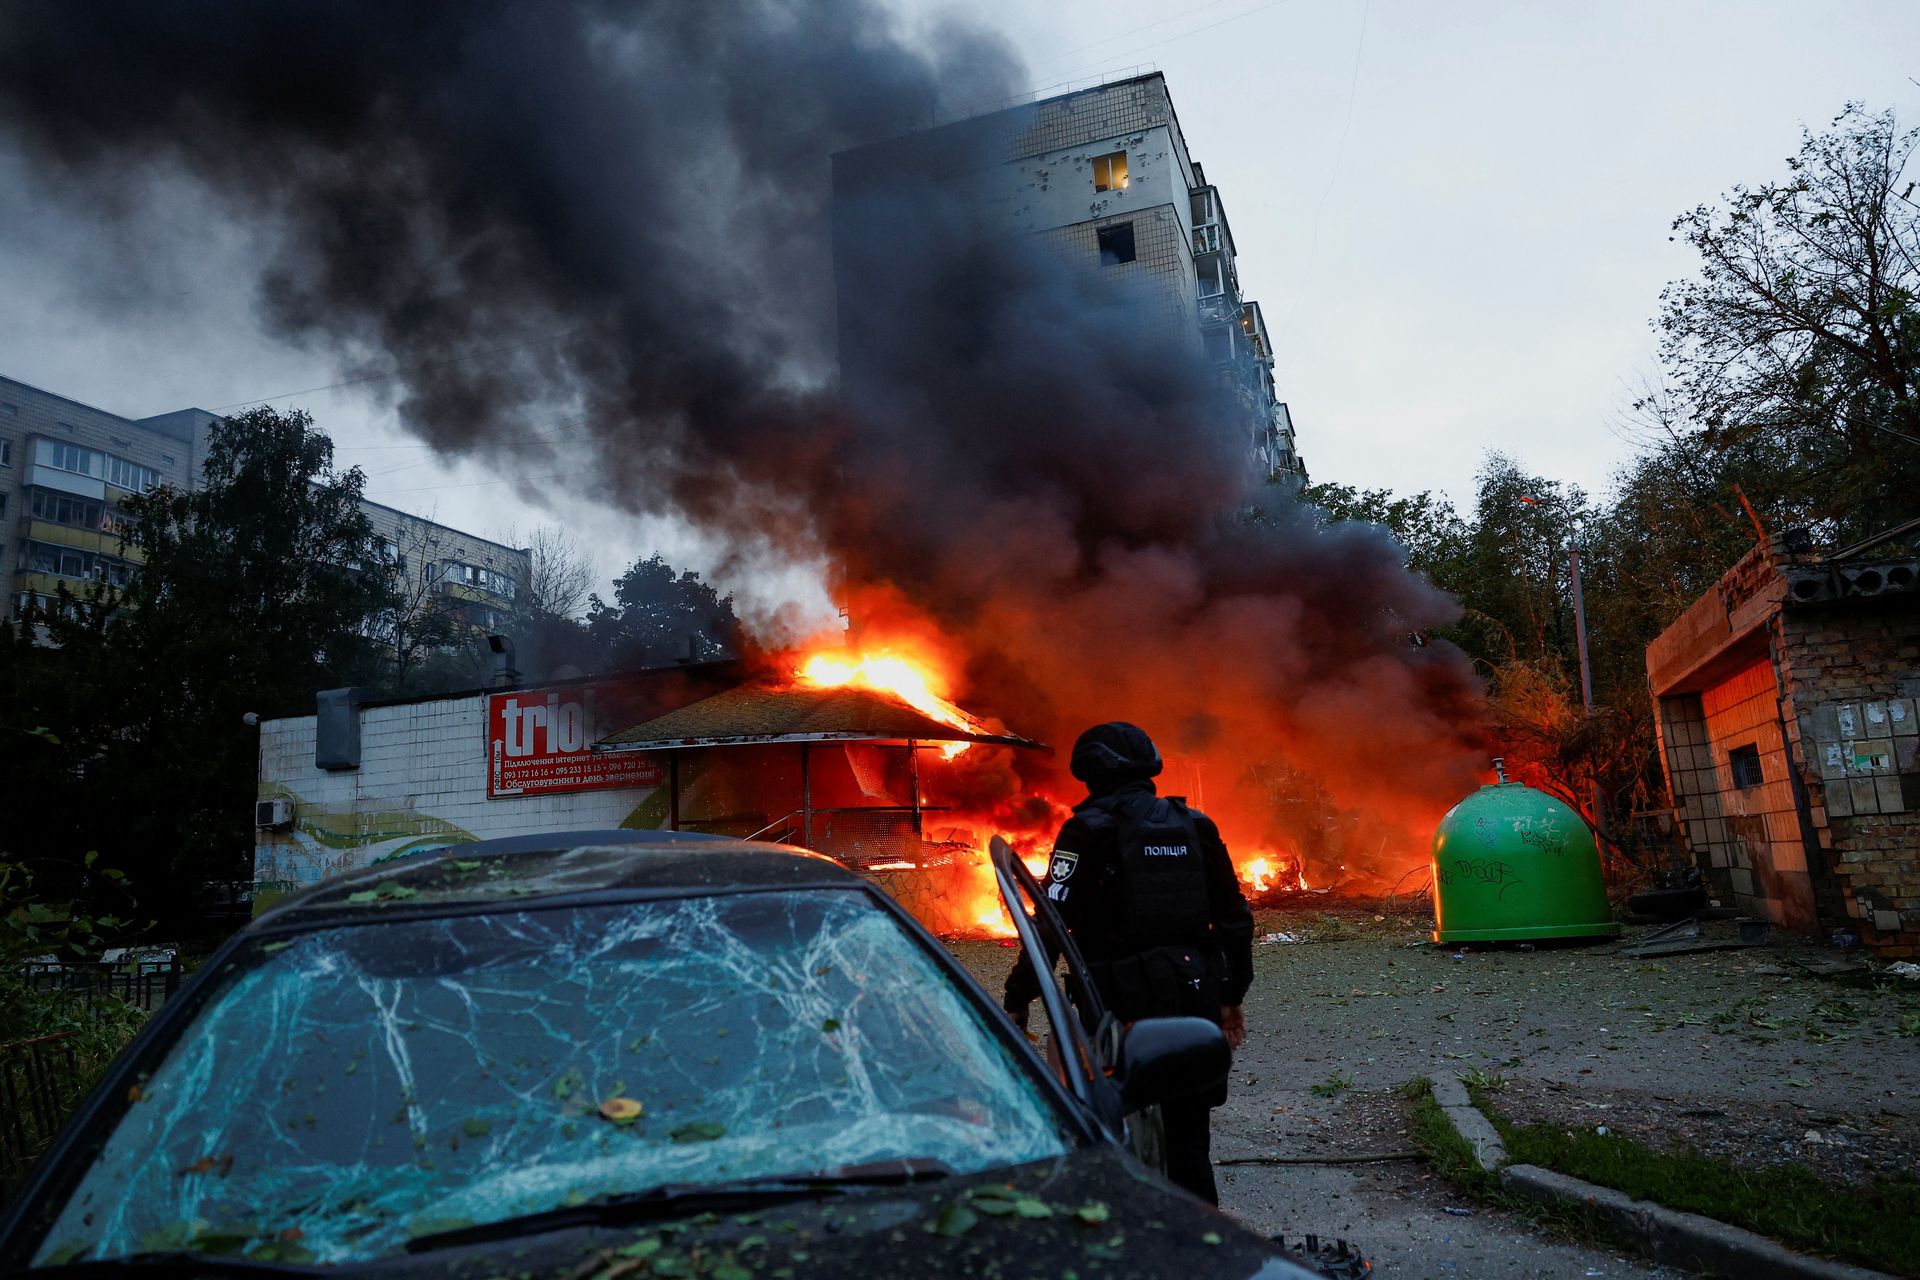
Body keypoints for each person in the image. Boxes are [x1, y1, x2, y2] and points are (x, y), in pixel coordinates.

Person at [1002, 721, 1254, 1204]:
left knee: (1107, 1132)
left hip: (1116, 1006)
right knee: (1188, 1142)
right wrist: (1230, 995)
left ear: (1089, 773)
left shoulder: (1085, 831)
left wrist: (1018, 998)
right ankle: (1202, 1249)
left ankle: (1129, 1241)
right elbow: (1234, 918)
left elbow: (1050, 925)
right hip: (1193, 997)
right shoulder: (1195, 826)